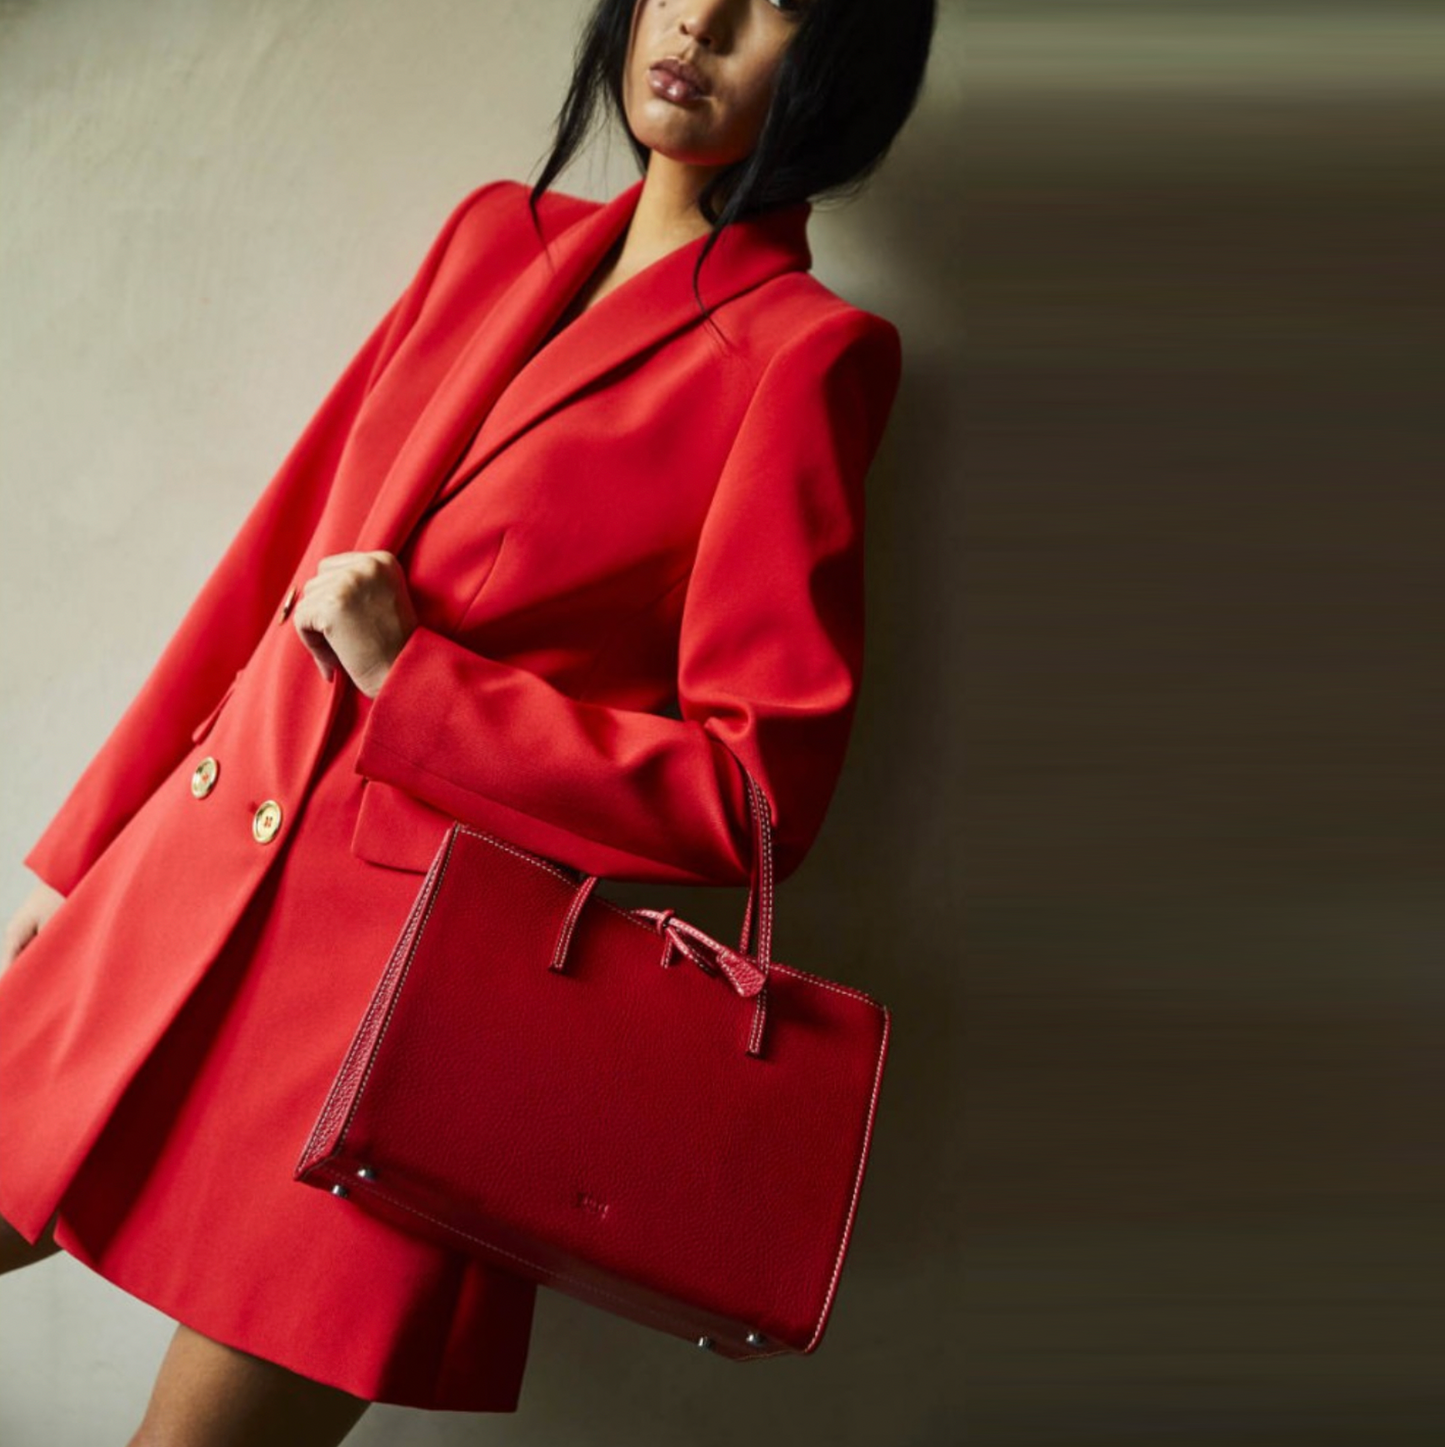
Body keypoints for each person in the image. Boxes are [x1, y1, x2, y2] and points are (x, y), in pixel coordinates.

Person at [0, 0, 935, 1441]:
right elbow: (275, 560)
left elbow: (754, 797)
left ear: (843, 62)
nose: (700, 16)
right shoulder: (494, 238)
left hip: (384, 1017)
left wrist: (417, 680)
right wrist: (84, 860)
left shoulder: (803, 358)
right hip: (175, 898)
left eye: (775, 2)